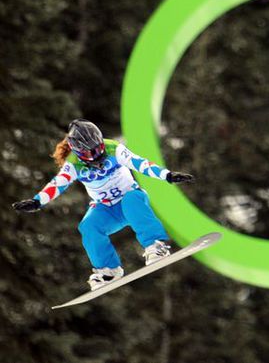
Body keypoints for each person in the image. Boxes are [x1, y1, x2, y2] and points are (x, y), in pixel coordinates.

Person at [12, 119, 194, 290]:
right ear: (77, 152)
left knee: (131, 200)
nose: (97, 155)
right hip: (107, 210)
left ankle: (155, 245)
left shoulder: (113, 148)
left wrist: (166, 175)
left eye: (98, 148)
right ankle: (109, 270)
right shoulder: (73, 164)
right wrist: (38, 201)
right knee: (88, 226)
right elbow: (57, 184)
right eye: (89, 153)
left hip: (131, 201)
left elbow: (140, 163)